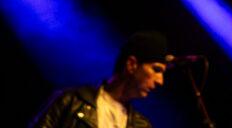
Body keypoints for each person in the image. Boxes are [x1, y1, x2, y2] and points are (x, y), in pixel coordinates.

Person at [30, 30, 171, 128]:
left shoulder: (141, 125)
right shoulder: (71, 101)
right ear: (131, 64)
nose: (160, 81)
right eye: (156, 69)